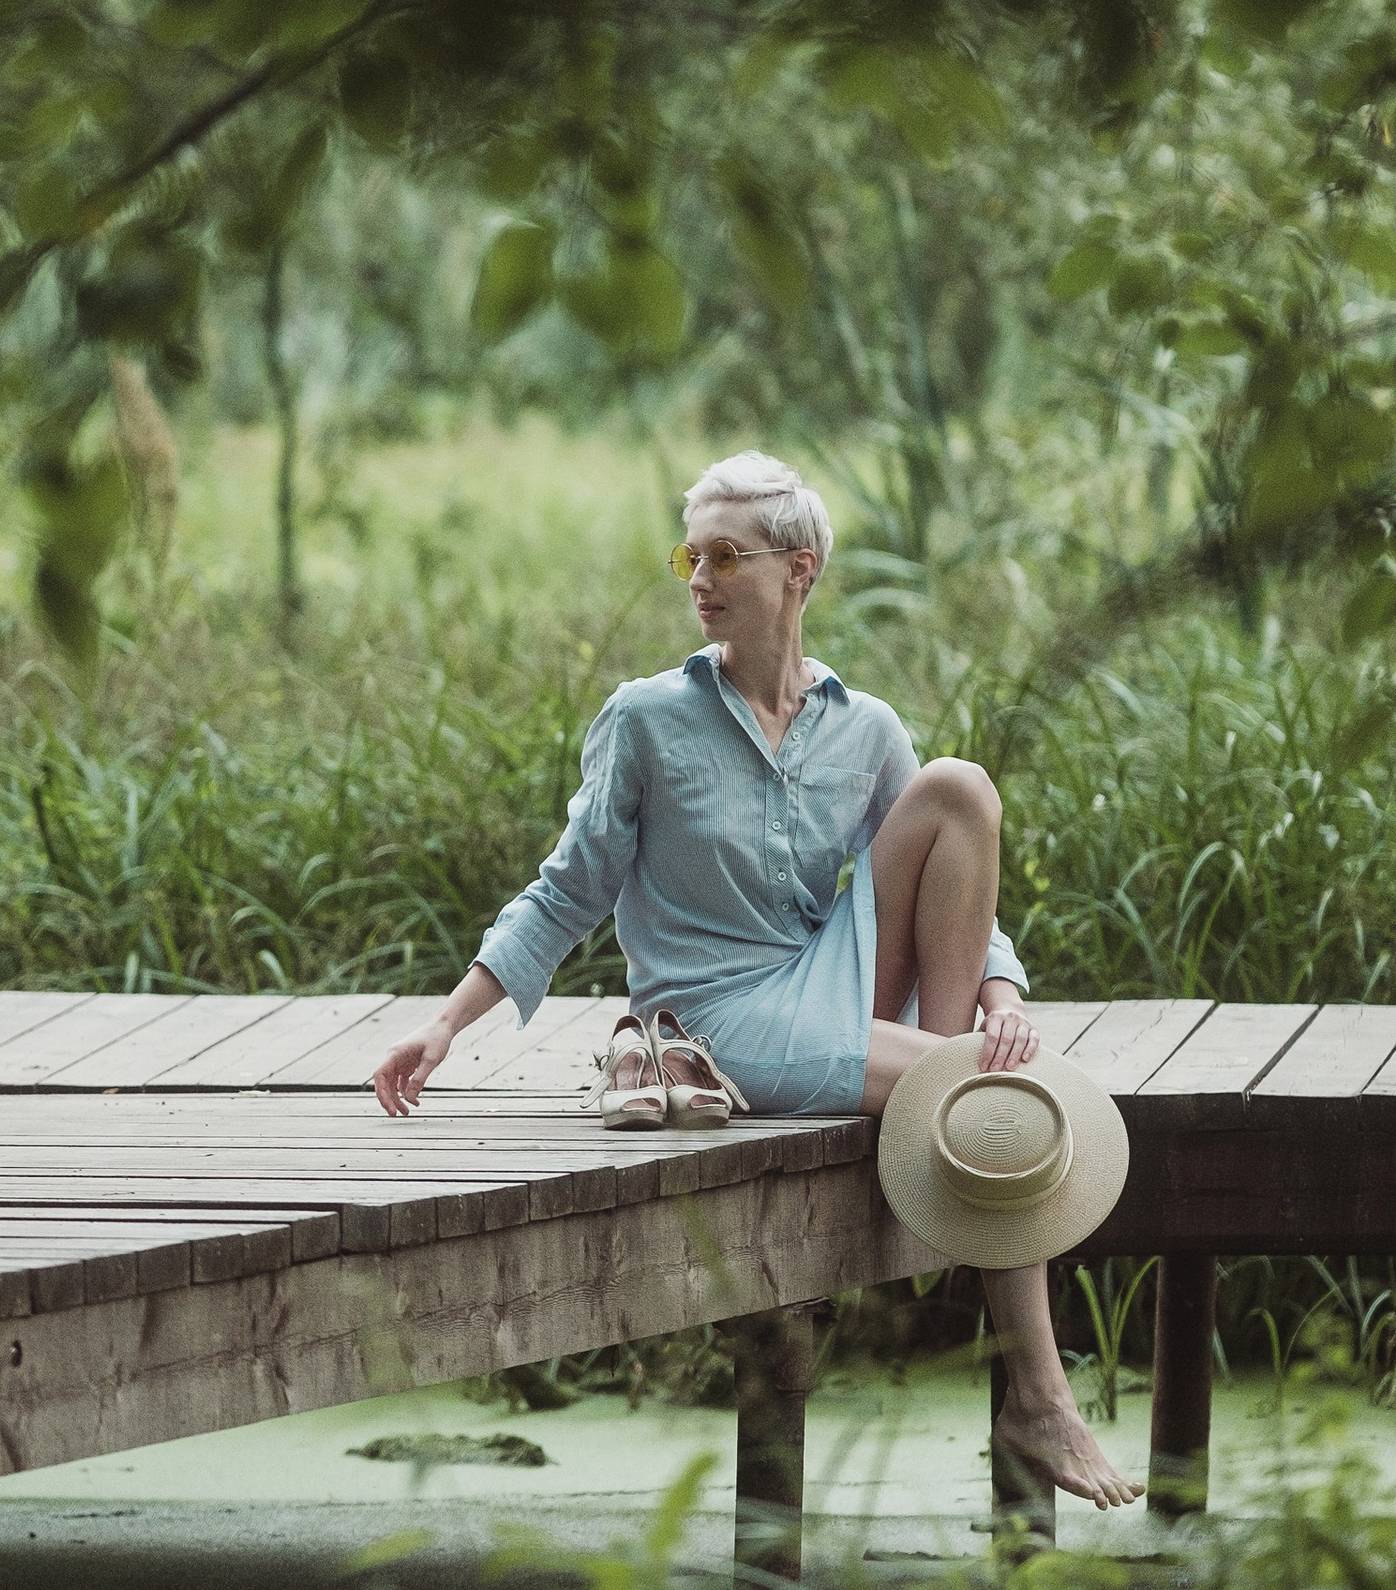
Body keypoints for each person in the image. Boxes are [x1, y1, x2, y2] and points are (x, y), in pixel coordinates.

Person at [370, 450, 1141, 1508]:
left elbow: (955, 891)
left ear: (800, 570)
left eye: (726, 554)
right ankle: (1038, 1396)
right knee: (989, 1096)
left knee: (958, 790)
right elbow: (565, 890)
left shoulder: (860, 726)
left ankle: (944, 1090)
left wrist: (1002, 998)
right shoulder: (645, 719)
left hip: (831, 976)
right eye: (690, 551)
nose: (698, 575)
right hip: (720, 1017)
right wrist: (447, 1026)